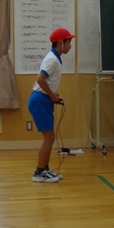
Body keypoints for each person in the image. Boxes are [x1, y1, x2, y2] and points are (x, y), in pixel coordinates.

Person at [27, 27, 75, 183]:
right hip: (39, 101)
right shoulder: (52, 59)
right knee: (49, 137)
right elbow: (40, 79)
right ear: (60, 43)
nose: (70, 46)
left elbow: (46, 81)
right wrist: (52, 95)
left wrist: (53, 95)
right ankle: (39, 172)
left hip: (43, 99)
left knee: (50, 137)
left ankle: (45, 169)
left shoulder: (55, 58)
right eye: (69, 42)